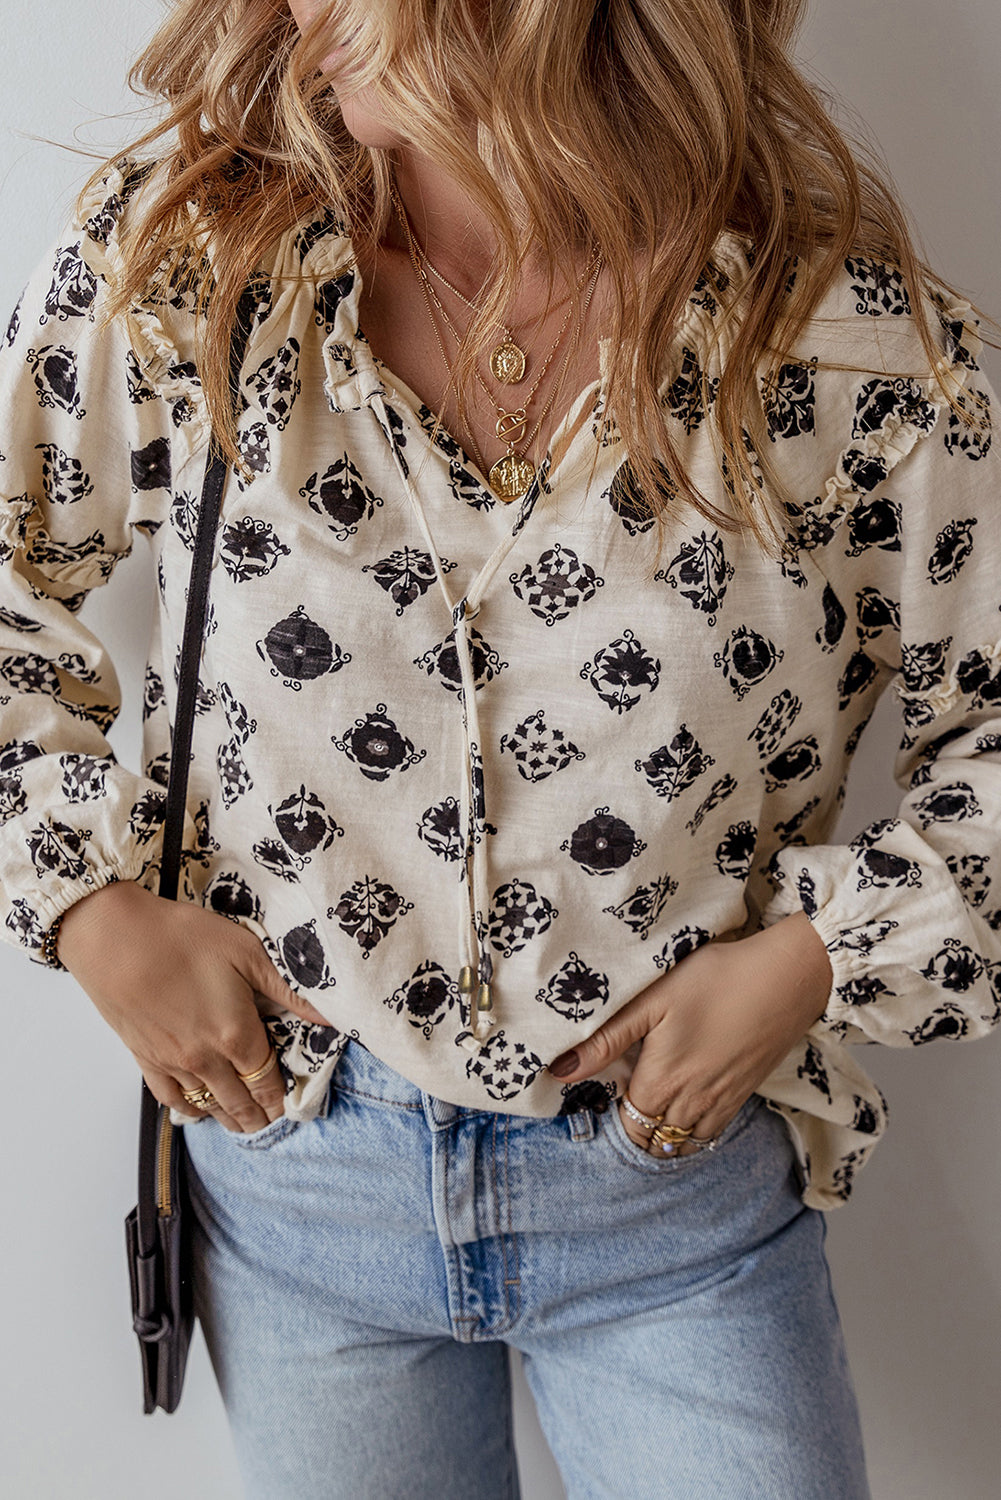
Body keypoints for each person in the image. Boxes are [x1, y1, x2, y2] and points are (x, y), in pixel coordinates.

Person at [1, 0, 999, 1494]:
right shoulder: (195, 260)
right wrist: (83, 908)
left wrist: (815, 961)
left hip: (676, 1201)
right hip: (296, 1177)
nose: (304, 15)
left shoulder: (840, 342)